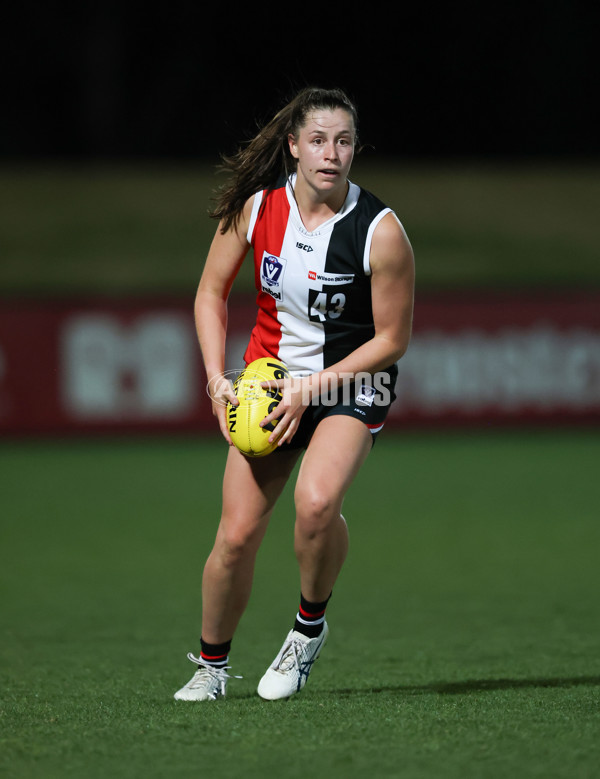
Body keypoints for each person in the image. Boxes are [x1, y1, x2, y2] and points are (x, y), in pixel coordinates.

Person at [174, 86, 415, 702]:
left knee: (314, 502)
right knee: (234, 538)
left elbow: (391, 339)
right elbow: (209, 293)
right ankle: (212, 668)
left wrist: (315, 388)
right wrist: (214, 377)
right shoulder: (257, 211)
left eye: (343, 141)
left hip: (350, 381)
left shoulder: (381, 232)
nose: (331, 154)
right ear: (293, 147)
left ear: (355, 149)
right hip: (269, 382)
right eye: (318, 140)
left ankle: (307, 631)